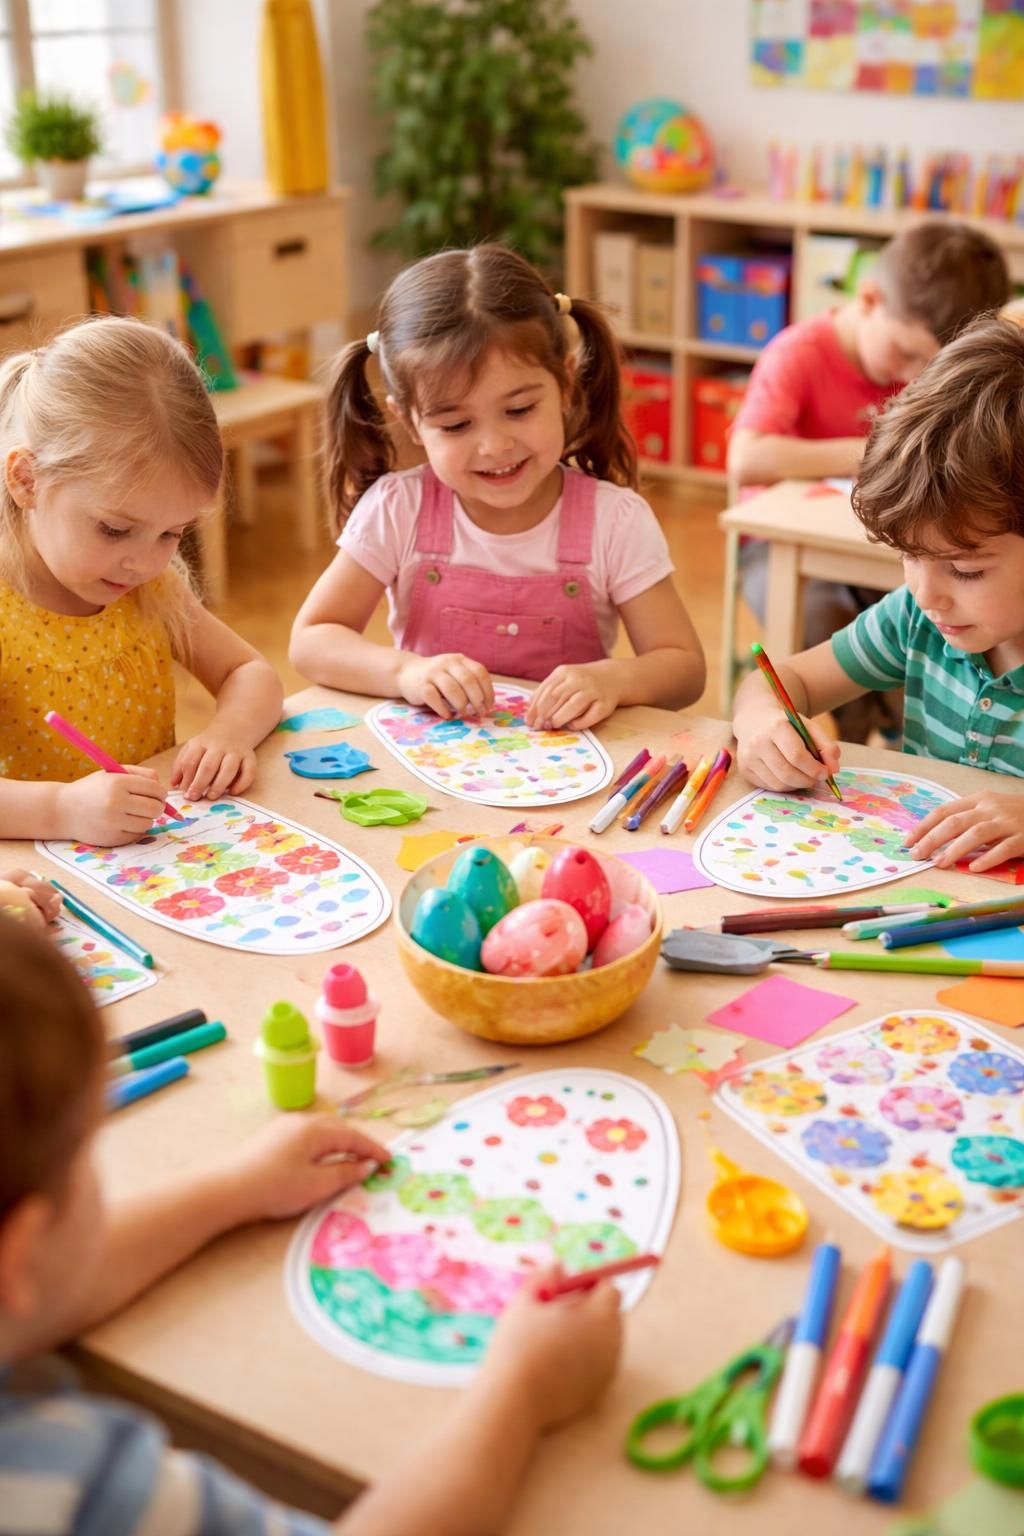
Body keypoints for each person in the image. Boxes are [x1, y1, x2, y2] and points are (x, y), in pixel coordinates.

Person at [0, 922, 623, 1536]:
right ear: (20, 1253)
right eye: (87, 1155)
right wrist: (520, 1395)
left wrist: (235, 1188)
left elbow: (43, 1286)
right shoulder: (69, 1475)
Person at [290, 244, 704, 731]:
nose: (494, 445)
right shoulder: (399, 508)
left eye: (520, 409)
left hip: (566, 775)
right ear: (409, 420)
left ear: (566, 384)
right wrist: (406, 671)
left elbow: (684, 668)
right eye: (456, 424)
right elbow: (313, 638)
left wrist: (613, 680)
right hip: (432, 770)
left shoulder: (614, 520)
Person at [733, 314, 1024, 874]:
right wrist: (763, 722)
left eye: (965, 570)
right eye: (910, 556)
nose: (926, 592)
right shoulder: (917, 619)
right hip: (919, 897)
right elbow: (779, 681)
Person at [0, 317, 283, 847]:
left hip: (148, 867)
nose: (143, 562)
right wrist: (61, 809)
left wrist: (228, 735)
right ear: (27, 481)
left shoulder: (149, 590)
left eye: (172, 533)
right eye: (115, 529)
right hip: (39, 882)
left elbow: (250, 672)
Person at [727, 221, 1010, 741]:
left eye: (931, 362)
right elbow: (746, 457)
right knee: (834, 619)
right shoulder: (800, 353)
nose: (914, 372)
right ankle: (857, 737)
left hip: (900, 534)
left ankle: (908, 733)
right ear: (869, 297)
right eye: (907, 353)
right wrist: (873, 453)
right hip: (780, 545)